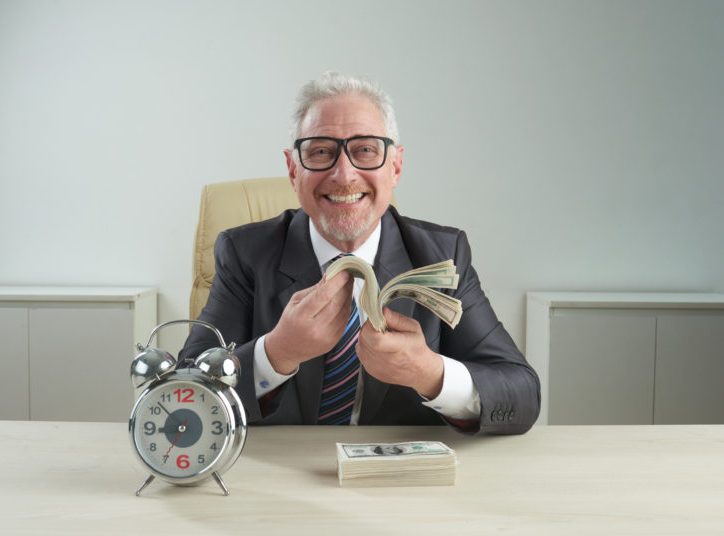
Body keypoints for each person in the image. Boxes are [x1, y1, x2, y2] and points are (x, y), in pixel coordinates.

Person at [179, 72, 540, 434]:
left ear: (395, 166)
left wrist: (430, 373)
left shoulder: (442, 256)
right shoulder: (244, 254)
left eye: (365, 150)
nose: (344, 174)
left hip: (396, 479)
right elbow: (184, 393)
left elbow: (521, 393)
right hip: (277, 474)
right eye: (321, 151)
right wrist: (276, 353)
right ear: (293, 170)